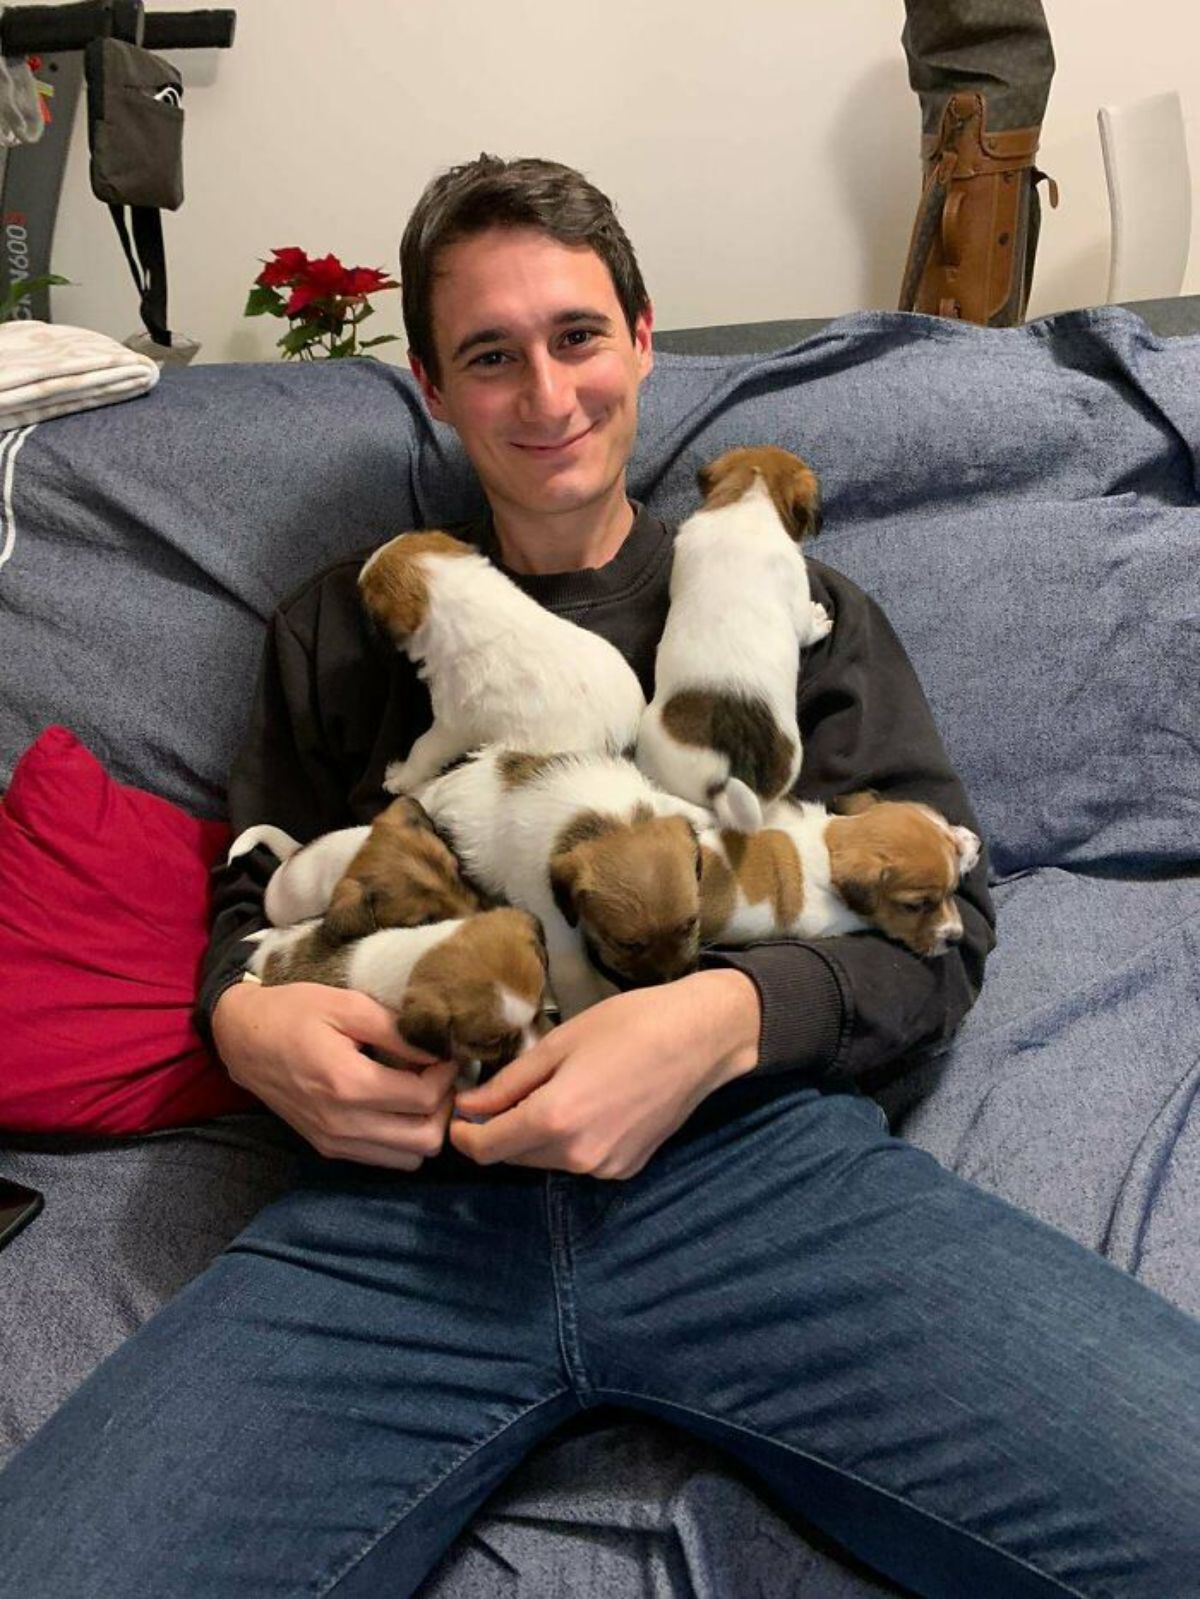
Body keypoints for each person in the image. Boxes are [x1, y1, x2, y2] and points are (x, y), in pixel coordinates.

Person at [1, 154, 1198, 1599]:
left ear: (641, 339)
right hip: (403, 1216)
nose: (548, 395)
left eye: (576, 338)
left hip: (751, 1173)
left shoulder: (787, 602)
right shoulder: (348, 624)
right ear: (436, 390)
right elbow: (257, 905)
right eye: (490, 358)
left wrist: (716, 1025)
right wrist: (245, 1027)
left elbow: (942, 918)